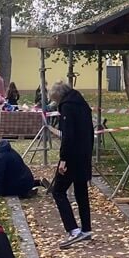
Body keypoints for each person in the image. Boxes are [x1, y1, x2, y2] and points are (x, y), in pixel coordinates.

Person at [49, 79, 94, 248]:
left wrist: (63, 159)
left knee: (58, 191)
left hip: (72, 157)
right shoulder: (82, 103)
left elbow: (68, 135)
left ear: (60, 96)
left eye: (56, 100)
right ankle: (87, 228)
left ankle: (73, 229)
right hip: (84, 154)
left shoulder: (67, 107)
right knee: (81, 191)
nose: (56, 103)